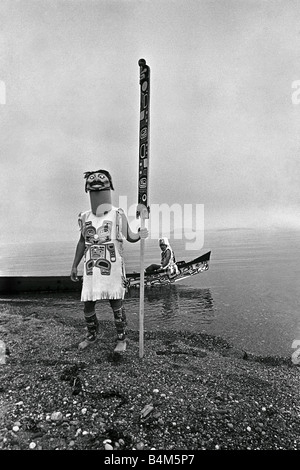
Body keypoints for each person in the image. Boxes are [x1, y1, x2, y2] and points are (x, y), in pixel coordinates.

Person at [70, 169, 148, 351]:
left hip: (112, 266)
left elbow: (129, 236)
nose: (96, 181)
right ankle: (92, 335)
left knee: (116, 302)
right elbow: (82, 241)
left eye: (101, 179)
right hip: (91, 268)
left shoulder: (116, 213)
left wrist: (140, 234)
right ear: (87, 188)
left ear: (109, 185)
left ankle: (121, 339)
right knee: (88, 302)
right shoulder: (85, 216)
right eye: (92, 180)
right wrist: (74, 265)